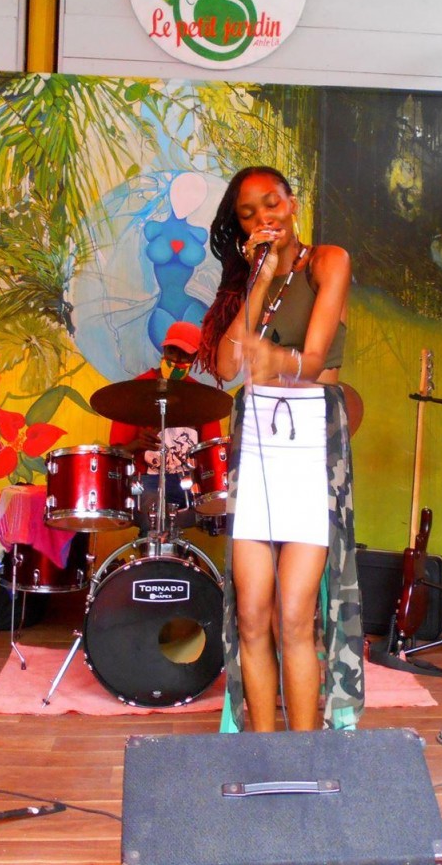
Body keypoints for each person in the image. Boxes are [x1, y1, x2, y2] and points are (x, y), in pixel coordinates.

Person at [197, 166, 364, 733]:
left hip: (311, 438)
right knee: (251, 615)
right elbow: (226, 366)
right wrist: (260, 279)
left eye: (271, 203)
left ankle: (304, 753)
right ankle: (263, 751)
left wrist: (277, 361)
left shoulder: (328, 261)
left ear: (292, 203)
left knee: (294, 615)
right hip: (259, 442)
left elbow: (313, 362)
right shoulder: (254, 280)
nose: (263, 218)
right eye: (248, 214)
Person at [109, 321, 223, 535]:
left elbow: (213, 455)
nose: (176, 359)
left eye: (184, 355)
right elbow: (115, 454)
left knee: (225, 508)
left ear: (194, 359)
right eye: (172, 351)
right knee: (155, 514)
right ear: (163, 350)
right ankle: (157, 551)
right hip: (146, 481)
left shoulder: (202, 398)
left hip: (188, 483)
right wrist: (137, 444)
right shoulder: (135, 390)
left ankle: (170, 552)